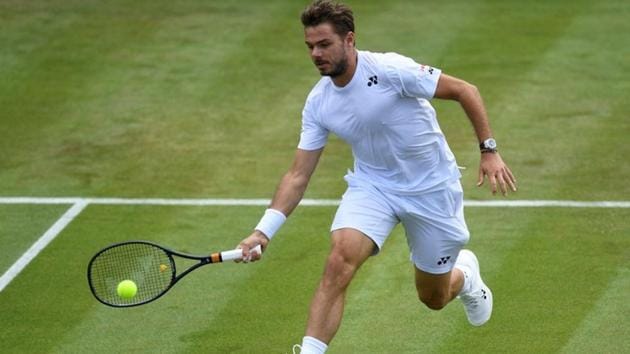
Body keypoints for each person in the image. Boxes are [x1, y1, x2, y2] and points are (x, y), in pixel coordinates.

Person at [237, 1, 517, 353]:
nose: (315, 54)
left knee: (433, 297)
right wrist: (263, 231)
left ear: (349, 39)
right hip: (374, 187)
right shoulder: (318, 103)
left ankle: (465, 279)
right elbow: (297, 174)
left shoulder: (390, 70)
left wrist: (488, 150)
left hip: (431, 189)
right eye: (310, 46)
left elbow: (465, 90)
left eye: (324, 44)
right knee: (339, 260)